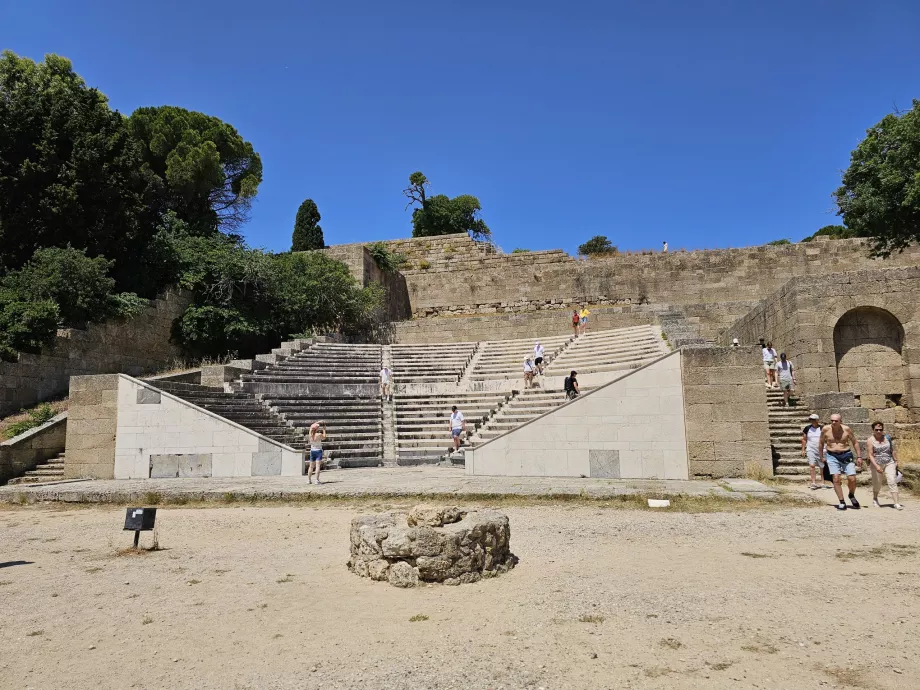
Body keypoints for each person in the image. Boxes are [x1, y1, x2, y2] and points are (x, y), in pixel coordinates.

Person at [818, 413, 863, 510]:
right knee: (836, 478)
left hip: (846, 454)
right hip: (832, 455)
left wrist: (859, 456)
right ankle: (841, 501)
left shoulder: (846, 429)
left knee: (852, 478)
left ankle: (851, 495)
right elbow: (821, 443)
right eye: (832, 421)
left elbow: (855, 442)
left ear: (840, 421)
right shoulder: (826, 429)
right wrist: (821, 456)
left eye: (836, 421)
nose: (833, 422)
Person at [866, 421, 903, 510]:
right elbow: (870, 455)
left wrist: (896, 460)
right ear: (873, 430)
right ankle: (875, 499)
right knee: (877, 483)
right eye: (877, 430)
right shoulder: (870, 440)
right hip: (877, 463)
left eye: (880, 429)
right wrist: (876, 466)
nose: (879, 431)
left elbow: (892, 450)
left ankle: (896, 503)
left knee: (892, 481)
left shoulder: (887, 438)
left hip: (889, 462)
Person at [801, 414, 830, 490]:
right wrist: (803, 450)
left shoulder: (822, 428)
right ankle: (813, 482)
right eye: (810, 419)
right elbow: (804, 439)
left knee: (822, 467)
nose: (812, 421)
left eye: (813, 419)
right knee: (812, 465)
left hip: (821, 450)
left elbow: (827, 438)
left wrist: (827, 448)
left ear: (817, 420)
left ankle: (823, 482)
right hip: (811, 449)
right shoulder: (807, 428)